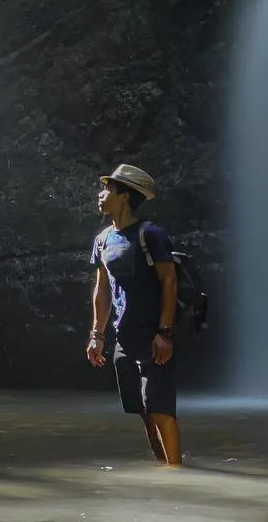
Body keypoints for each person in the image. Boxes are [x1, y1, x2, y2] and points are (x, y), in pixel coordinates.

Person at [85, 163, 182, 466]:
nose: (102, 194)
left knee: (161, 410)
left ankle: (177, 473)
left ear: (125, 196)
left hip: (153, 334)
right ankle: (165, 470)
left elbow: (169, 281)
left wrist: (164, 332)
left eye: (109, 189)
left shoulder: (150, 235)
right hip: (123, 338)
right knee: (142, 410)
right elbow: (102, 291)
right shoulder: (102, 240)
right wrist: (97, 335)